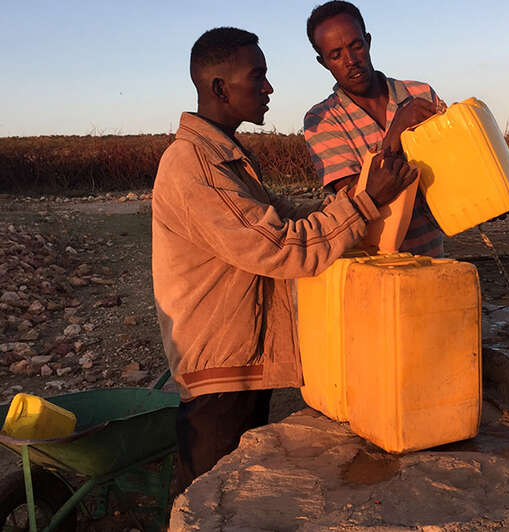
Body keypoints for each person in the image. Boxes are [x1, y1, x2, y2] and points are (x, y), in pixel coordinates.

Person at [152, 26, 419, 492]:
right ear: (219, 88)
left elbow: (284, 217)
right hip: (220, 374)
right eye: (258, 77)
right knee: (209, 493)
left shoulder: (226, 156)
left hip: (242, 361)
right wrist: (363, 204)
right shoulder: (194, 164)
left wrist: (357, 201)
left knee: (237, 497)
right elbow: (278, 247)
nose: (269, 88)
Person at [304, 0, 447, 257]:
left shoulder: (420, 93)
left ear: (368, 41)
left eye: (356, 46)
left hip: (432, 260)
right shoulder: (322, 119)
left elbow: (454, 168)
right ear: (322, 62)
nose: (350, 61)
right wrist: (397, 132)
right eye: (335, 55)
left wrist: (487, 199)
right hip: (375, 269)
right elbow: (356, 199)